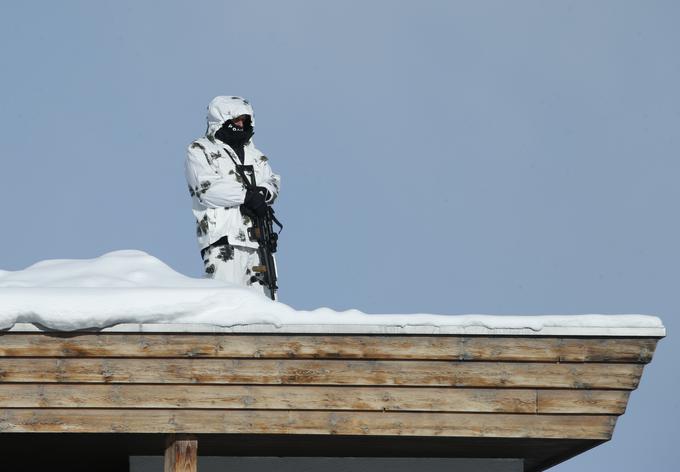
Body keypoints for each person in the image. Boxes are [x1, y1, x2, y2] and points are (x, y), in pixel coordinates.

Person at [185, 96, 280, 296]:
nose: (240, 124)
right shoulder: (201, 149)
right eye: (236, 120)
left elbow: (272, 180)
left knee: (265, 301)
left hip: (258, 241)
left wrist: (263, 192)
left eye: (244, 120)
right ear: (221, 119)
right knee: (224, 299)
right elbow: (207, 189)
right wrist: (247, 196)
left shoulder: (256, 155)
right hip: (223, 238)